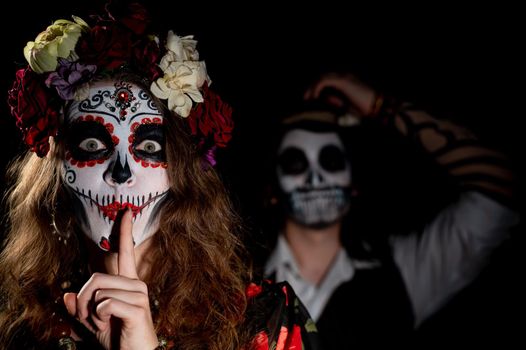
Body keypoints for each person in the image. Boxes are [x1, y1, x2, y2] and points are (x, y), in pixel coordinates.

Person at [0, 2, 320, 349]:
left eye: (150, 148)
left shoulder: (266, 321)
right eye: (92, 144)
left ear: (182, 173)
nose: (121, 173)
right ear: (55, 172)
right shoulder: (20, 332)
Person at [259, 73, 519, 348]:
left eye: (331, 160)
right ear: (272, 188)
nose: (316, 179)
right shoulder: (240, 277)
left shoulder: (405, 272)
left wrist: (380, 106)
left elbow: (501, 187)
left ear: (353, 181)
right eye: (295, 163)